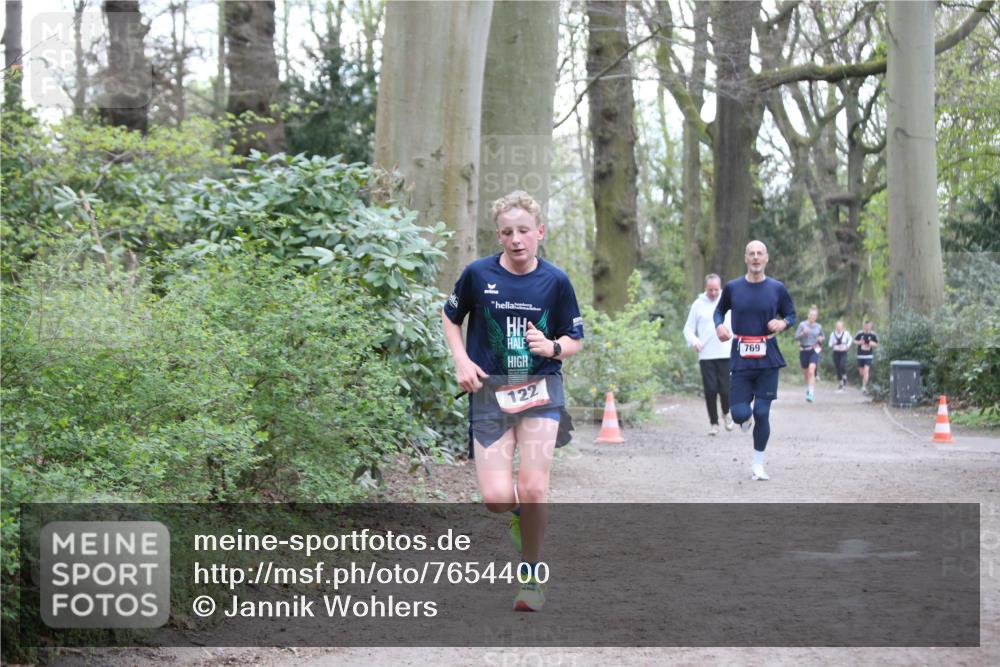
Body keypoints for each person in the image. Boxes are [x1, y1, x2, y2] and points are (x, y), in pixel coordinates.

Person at [442, 190, 584, 612]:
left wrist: (552, 347)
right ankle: (523, 518)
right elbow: (451, 317)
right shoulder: (476, 274)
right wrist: (461, 360)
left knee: (534, 486)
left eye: (524, 230)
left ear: (539, 231)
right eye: (507, 232)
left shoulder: (556, 281)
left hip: (540, 389)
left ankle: (531, 575)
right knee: (497, 498)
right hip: (489, 392)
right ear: (499, 236)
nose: (516, 238)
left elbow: (574, 339)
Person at [714, 240, 796, 481]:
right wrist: (719, 326)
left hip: (767, 356)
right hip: (741, 355)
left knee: (762, 412)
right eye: (752, 253)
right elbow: (719, 311)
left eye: (760, 253)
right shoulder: (733, 287)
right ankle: (743, 419)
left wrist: (782, 323)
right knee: (739, 414)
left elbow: (791, 314)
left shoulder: (777, 288)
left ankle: (758, 464)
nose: (756, 257)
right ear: (746, 258)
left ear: (767, 258)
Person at [683, 274, 734, 435]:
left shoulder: (728, 302)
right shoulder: (698, 304)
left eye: (716, 290)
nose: (713, 293)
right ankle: (714, 423)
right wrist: (694, 341)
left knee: (725, 390)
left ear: (721, 288)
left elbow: (737, 324)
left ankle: (726, 413)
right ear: (705, 289)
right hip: (706, 355)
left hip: (725, 352)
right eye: (710, 290)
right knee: (710, 390)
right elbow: (688, 329)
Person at [794, 306, 823, 402]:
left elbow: (822, 335)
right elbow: (796, 337)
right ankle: (809, 388)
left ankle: (811, 393)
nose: (812, 317)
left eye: (814, 315)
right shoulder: (802, 325)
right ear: (808, 315)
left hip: (814, 349)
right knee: (806, 374)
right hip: (803, 350)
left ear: (816, 317)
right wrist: (802, 333)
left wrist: (821, 338)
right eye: (811, 315)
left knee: (811, 371)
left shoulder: (818, 326)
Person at [854, 320, 880, 394]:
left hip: (869, 355)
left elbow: (878, 344)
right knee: (861, 372)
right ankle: (864, 381)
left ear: (871, 326)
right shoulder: (859, 333)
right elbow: (854, 341)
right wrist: (859, 342)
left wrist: (872, 344)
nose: (867, 327)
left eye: (869, 326)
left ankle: (864, 386)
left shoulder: (873, 335)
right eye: (866, 326)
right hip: (860, 355)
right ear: (864, 326)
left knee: (866, 370)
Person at [829, 320, 852, 391]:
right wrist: (833, 344)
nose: (838, 327)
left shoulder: (846, 333)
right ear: (836, 327)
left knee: (842, 365)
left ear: (842, 327)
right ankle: (841, 383)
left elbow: (850, 339)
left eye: (840, 326)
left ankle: (844, 376)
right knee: (837, 368)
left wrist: (848, 346)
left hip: (843, 352)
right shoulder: (833, 334)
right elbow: (829, 344)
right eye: (837, 326)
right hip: (836, 352)